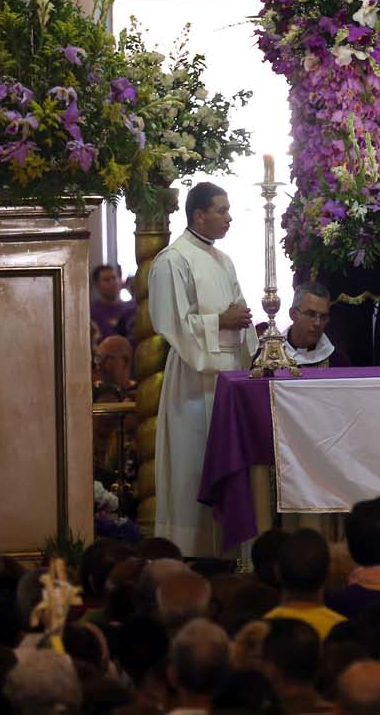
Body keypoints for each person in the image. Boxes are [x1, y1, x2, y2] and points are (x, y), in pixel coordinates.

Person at [148, 182, 255, 556]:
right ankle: (191, 553)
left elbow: (239, 313)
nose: (229, 218)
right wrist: (220, 321)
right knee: (192, 467)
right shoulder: (172, 260)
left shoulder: (223, 260)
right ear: (199, 215)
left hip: (228, 377)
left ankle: (229, 553)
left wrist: (245, 334)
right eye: (222, 210)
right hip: (193, 380)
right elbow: (171, 322)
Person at [281, 282, 351, 368]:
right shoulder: (269, 356)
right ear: (293, 314)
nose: (317, 323)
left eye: (323, 316)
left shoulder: (337, 361)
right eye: (311, 314)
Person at [90, 264, 136, 340]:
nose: (112, 283)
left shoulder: (130, 309)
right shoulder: (92, 313)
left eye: (114, 278)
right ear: (96, 284)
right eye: (107, 280)